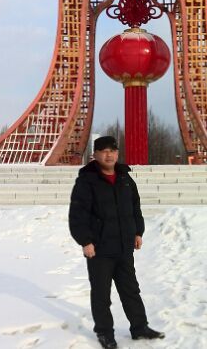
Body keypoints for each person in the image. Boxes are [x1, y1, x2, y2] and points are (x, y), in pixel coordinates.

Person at [69, 136, 165, 349]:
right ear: (95, 154)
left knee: (131, 290)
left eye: (112, 150)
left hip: (123, 246)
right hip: (99, 249)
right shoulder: (87, 181)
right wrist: (85, 241)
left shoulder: (124, 178)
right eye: (104, 151)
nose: (109, 155)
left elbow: (135, 207)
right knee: (101, 294)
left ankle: (139, 327)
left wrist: (138, 231)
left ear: (117, 153)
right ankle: (104, 333)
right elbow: (77, 215)